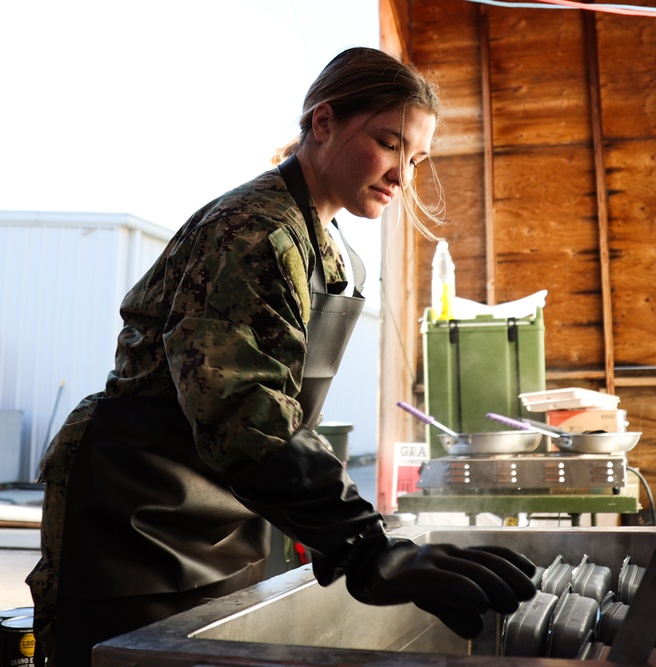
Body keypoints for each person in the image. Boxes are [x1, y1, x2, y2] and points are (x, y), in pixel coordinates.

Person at [26, 46, 536, 665]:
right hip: (137, 517)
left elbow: (283, 416)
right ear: (322, 123)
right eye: (389, 143)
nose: (404, 175)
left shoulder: (333, 253)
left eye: (417, 157)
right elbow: (243, 411)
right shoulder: (252, 231)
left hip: (226, 514)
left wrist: (335, 527)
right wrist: (362, 544)